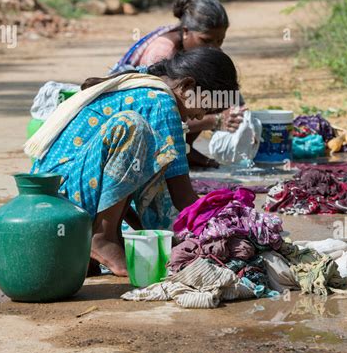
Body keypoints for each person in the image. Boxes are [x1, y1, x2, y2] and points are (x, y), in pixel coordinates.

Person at [26, 48, 240, 277]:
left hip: (54, 200)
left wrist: (150, 234)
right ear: (187, 87)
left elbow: (120, 178)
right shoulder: (161, 101)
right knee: (132, 126)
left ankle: (104, 238)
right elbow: (183, 196)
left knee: (154, 161)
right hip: (62, 198)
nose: (201, 116)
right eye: (205, 107)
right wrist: (222, 227)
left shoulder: (147, 87)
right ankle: (101, 238)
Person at [112, 0, 244, 167]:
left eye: (219, 41)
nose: (214, 48)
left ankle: (186, 148)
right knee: (201, 98)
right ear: (185, 32)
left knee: (221, 92)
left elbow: (226, 94)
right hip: (138, 121)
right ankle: (178, 153)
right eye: (206, 40)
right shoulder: (162, 53)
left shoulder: (199, 54)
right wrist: (217, 120)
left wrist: (235, 111)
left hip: (169, 109)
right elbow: (154, 114)